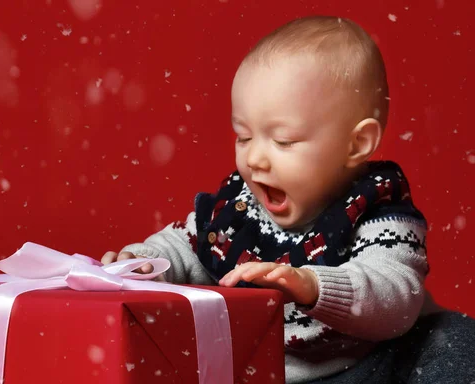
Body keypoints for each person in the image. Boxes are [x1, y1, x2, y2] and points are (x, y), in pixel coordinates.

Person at [102, 16, 475, 383]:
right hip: (265, 369)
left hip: (369, 363)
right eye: (243, 137)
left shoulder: (377, 211)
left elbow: (394, 296)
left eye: (283, 141)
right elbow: (184, 244)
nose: (255, 159)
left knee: (455, 338)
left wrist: (313, 285)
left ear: (356, 144)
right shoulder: (239, 210)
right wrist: (142, 263)